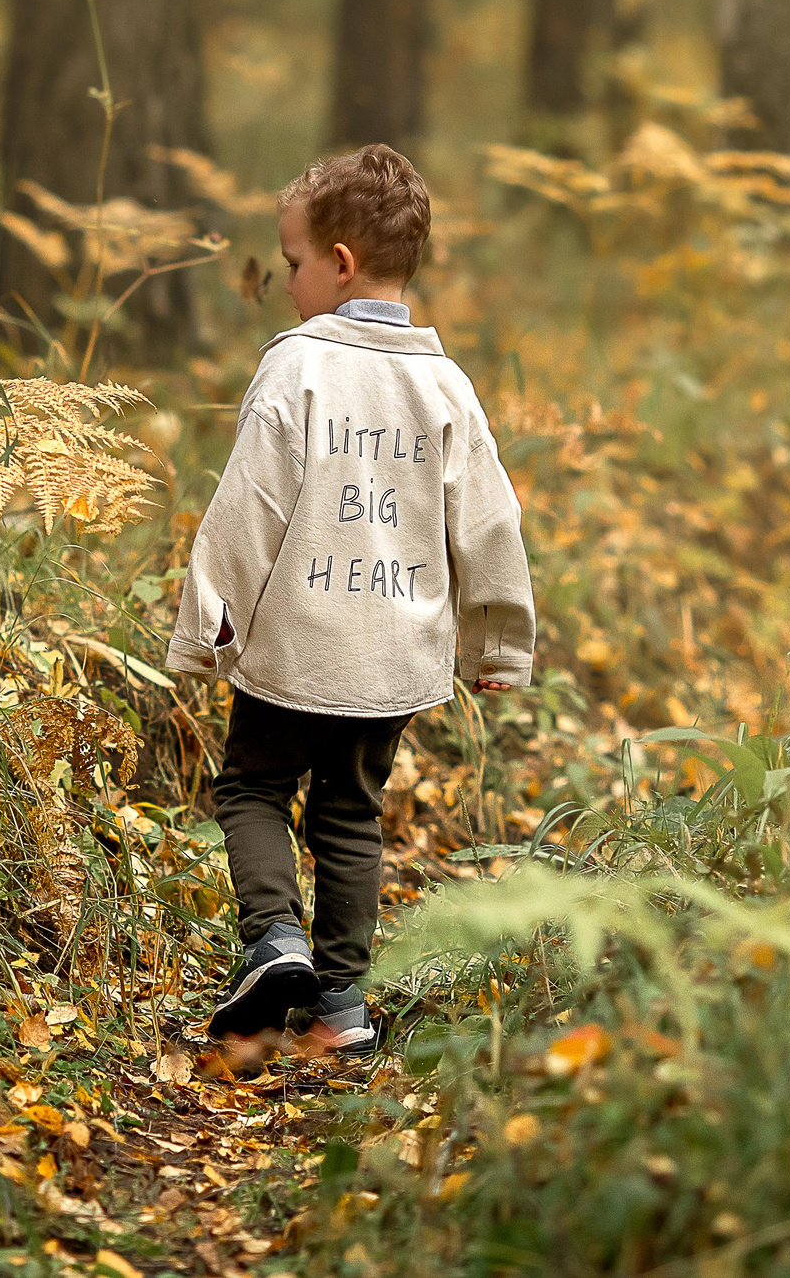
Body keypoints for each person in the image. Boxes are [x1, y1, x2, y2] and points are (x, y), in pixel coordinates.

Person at [167, 144, 535, 1058]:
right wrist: (498, 643)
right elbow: (490, 521)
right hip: (391, 657)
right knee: (350, 812)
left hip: (296, 645)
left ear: (338, 263)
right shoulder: (445, 386)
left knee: (253, 785)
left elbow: (248, 508)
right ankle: (341, 1009)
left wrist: (209, 627)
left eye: (291, 263)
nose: (285, 283)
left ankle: (274, 939)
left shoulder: (296, 368)